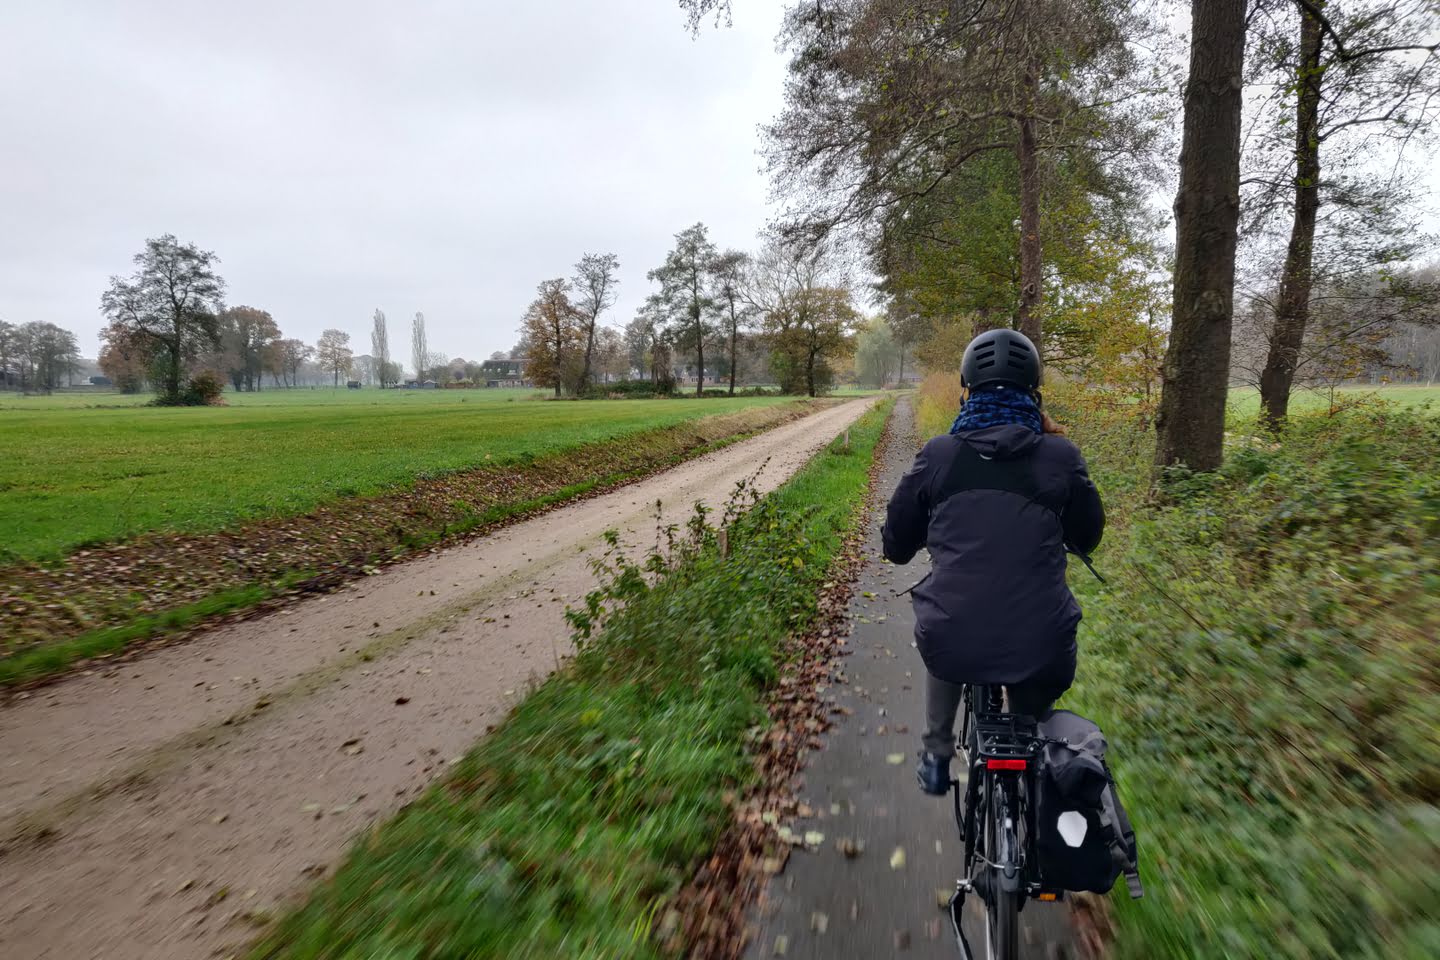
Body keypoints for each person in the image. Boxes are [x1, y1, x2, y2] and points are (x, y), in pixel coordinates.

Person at [881, 329, 1104, 795]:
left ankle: (937, 753)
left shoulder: (940, 455)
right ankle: (1027, 795)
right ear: (1035, 392)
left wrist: (912, 540)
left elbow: (897, 545)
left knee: (948, 631)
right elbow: (1089, 536)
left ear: (966, 392)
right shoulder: (1061, 456)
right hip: (1041, 642)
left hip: (954, 636)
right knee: (1028, 710)